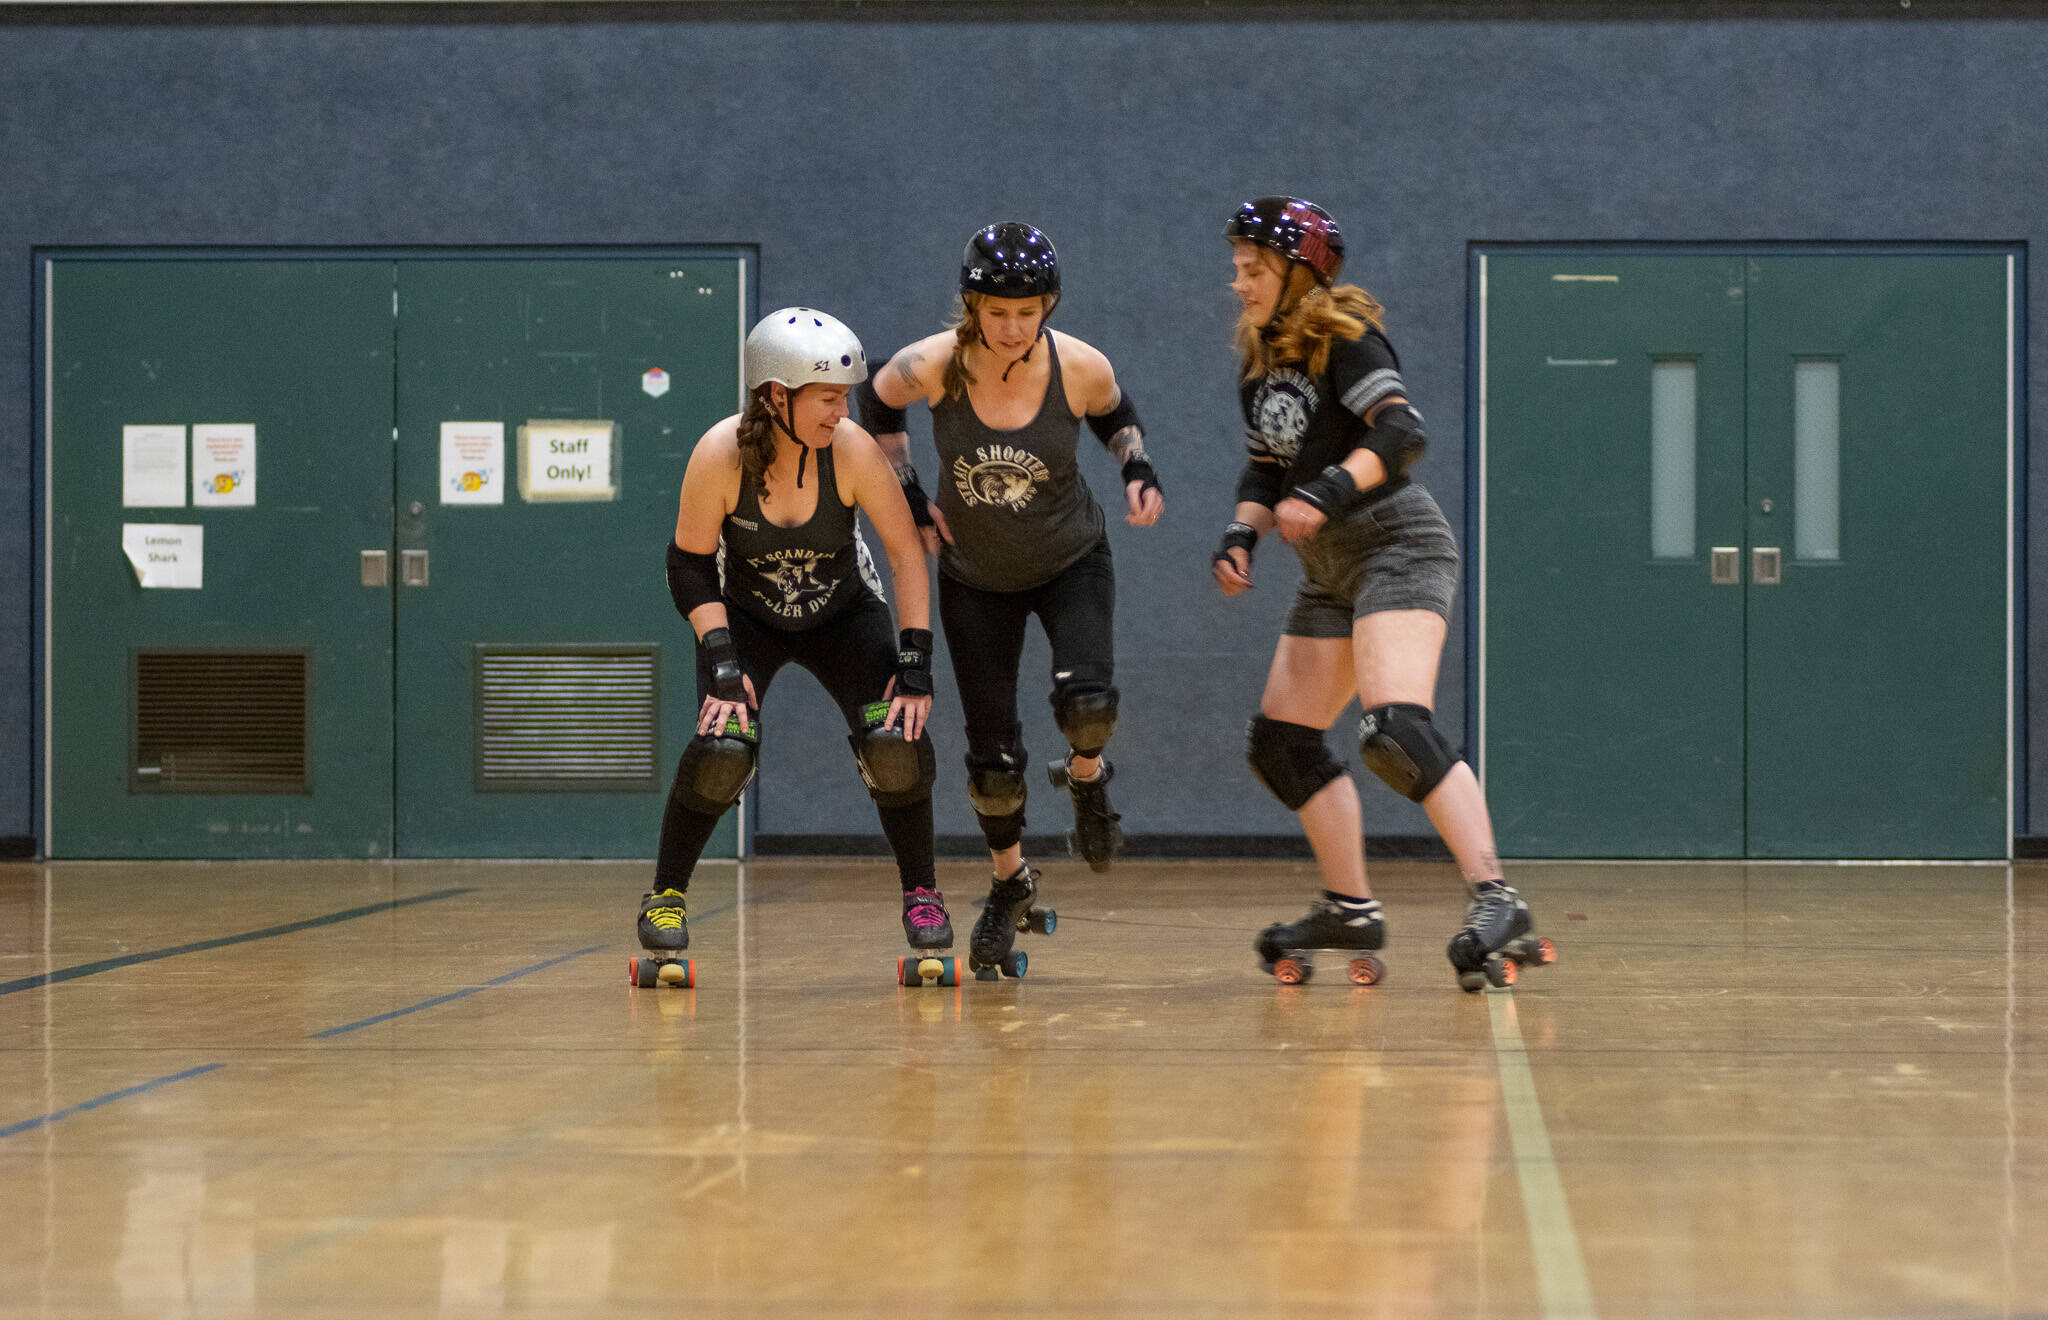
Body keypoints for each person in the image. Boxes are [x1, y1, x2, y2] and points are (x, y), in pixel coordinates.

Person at [1212, 197, 1554, 991]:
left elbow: (1401, 433)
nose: (1239, 283)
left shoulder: (1344, 338)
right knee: (1283, 743)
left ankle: (1497, 896)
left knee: (1394, 729)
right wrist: (1241, 533)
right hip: (1329, 567)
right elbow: (1269, 467)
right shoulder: (1263, 359)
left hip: (1397, 544)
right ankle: (1349, 905)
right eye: (1237, 269)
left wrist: (1327, 491)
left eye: (1254, 269)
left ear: (1302, 272)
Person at [855, 222, 1165, 977]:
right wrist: (907, 488)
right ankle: (1010, 882)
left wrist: (1138, 469)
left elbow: (1118, 417)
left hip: (1069, 560)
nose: (1013, 327)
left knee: (1087, 705)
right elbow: (877, 401)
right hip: (975, 577)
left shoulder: (1079, 366)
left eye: (1028, 312)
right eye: (998, 312)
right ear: (972, 306)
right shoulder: (934, 363)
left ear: (1047, 307)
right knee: (993, 763)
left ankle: (1088, 776)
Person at [640, 308, 945, 979]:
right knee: (724, 747)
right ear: (776, 395)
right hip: (744, 621)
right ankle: (666, 896)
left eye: (843, 399)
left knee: (895, 742)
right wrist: (722, 663)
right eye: (828, 398)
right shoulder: (719, 454)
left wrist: (915, 664)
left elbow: (904, 556)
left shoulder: (854, 452)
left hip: (844, 616)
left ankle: (922, 894)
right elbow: (688, 566)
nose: (842, 411)